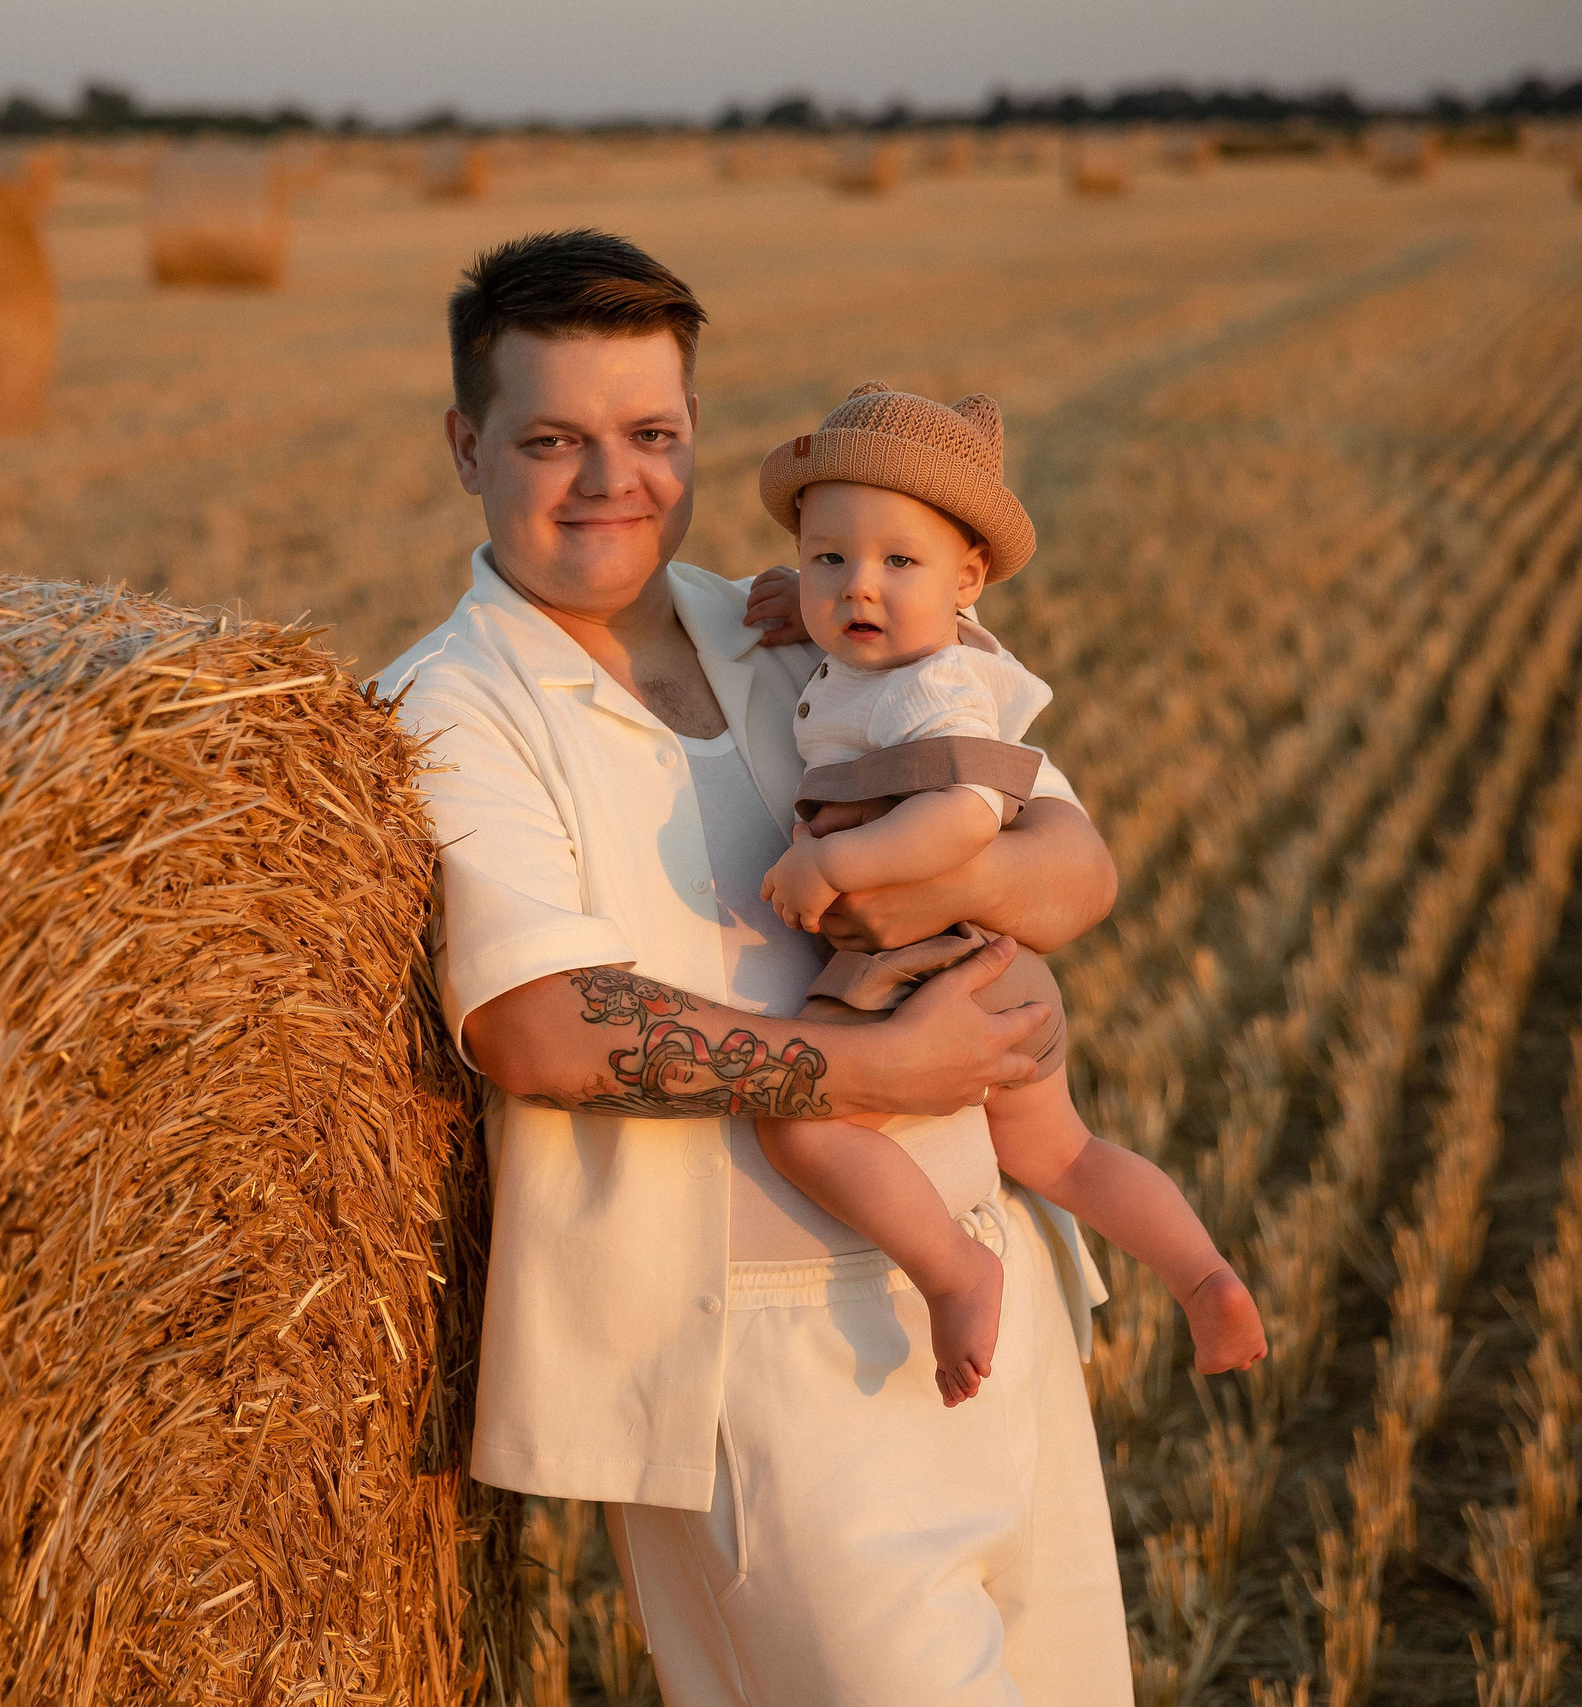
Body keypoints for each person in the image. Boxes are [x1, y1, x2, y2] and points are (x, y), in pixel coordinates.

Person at [379, 228, 1131, 1704]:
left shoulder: (802, 621)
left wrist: (972, 908)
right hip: (750, 1362)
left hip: (997, 1285)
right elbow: (539, 1025)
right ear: (467, 446)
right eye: (552, 440)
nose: (611, 481)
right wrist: (876, 1064)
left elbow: (1074, 861)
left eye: (650, 435)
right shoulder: (448, 707)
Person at [744, 383, 1269, 1406]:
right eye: (829, 558)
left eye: (898, 563)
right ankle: (1203, 1276)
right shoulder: (909, 647)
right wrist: (799, 596)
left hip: (929, 962)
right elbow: (860, 623)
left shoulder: (933, 683)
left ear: (968, 579)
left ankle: (952, 1270)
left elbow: (966, 815)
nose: (858, 588)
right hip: (1006, 968)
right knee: (1062, 1152)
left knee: (801, 1126)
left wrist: (838, 866)